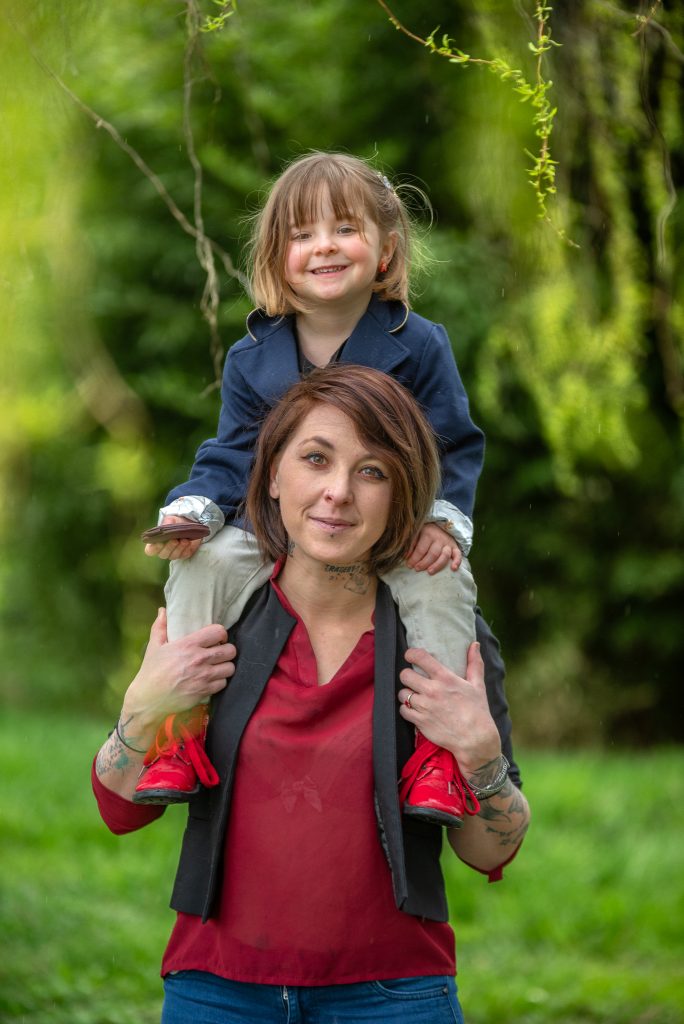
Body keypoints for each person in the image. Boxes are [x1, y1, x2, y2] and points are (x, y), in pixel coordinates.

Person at [93, 365, 530, 1024]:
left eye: (373, 471)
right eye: (316, 459)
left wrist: (481, 755)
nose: (338, 493)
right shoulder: (218, 619)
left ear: (402, 496)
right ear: (271, 475)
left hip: (395, 996)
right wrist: (142, 710)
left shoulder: (445, 640)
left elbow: (489, 850)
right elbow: (122, 813)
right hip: (216, 988)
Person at [137, 151, 485, 825]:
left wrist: (442, 522)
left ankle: (441, 758)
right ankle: (176, 732)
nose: (323, 244)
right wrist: (195, 509)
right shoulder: (252, 358)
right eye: (301, 234)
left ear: (384, 249)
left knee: (443, 581)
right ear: (277, 254)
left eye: (344, 228)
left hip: (384, 531)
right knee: (201, 563)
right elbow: (233, 453)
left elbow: (455, 442)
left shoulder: (420, 345)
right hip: (272, 528)